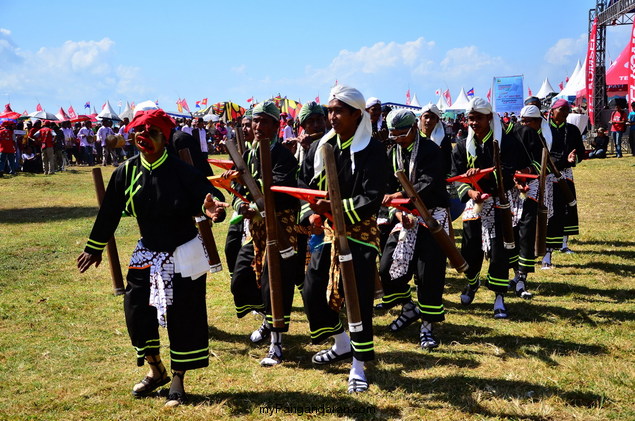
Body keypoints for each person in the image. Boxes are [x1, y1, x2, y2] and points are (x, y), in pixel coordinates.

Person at [76, 109, 228, 408]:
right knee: (136, 311)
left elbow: (206, 196)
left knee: (183, 316)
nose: (143, 138)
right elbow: (109, 212)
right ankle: (155, 369)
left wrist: (212, 208)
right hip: (146, 252)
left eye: (152, 133)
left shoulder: (182, 171)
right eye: (139, 133)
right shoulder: (126, 171)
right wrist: (94, 247)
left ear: (164, 138)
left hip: (182, 253)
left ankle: (178, 380)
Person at [299, 85, 388, 393]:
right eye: (330, 110)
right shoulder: (321, 147)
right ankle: (341, 343)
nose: (331, 116)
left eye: (338, 110)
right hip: (327, 230)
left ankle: (359, 365)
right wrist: (311, 212)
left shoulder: (374, 150)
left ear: (356, 114)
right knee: (312, 289)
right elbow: (306, 184)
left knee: (357, 298)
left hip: (360, 232)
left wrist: (335, 208)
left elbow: (372, 197)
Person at [225, 101, 299, 367]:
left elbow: (277, 191)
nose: (258, 126)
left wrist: (254, 204)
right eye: (255, 121)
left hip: (280, 227)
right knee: (241, 277)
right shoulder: (248, 153)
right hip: (255, 228)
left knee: (275, 283)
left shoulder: (283, 156)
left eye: (264, 121)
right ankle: (269, 319)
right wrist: (239, 204)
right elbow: (237, 190)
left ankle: (277, 345)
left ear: (276, 125)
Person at [378, 109, 450, 349]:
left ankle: (427, 326)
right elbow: (386, 186)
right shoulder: (392, 153)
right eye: (393, 135)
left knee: (428, 273)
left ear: (414, 128)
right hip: (405, 216)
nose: (397, 138)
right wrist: (397, 212)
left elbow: (428, 183)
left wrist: (400, 195)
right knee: (387, 266)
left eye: (401, 134)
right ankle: (409, 307)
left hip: (431, 216)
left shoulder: (431, 151)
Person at [450, 97, 524, 319]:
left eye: (478, 118)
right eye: (471, 118)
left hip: (499, 203)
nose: (474, 123)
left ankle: (499, 296)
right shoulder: (463, 145)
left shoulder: (506, 142)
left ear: (489, 118)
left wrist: (490, 174)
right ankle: (472, 284)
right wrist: (470, 191)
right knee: (470, 249)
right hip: (475, 204)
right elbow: (455, 176)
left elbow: (514, 170)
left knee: (499, 250)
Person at [542, 99, 585, 265]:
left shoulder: (572, 130)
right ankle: (547, 253)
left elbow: (580, 152)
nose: (565, 112)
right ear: (552, 111)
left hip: (566, 174)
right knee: (552, 212)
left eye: (567, 109)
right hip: (548, 176)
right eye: (562, 109)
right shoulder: (544, 130)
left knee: (567, 207)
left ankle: (564, 244)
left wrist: (574, 159)